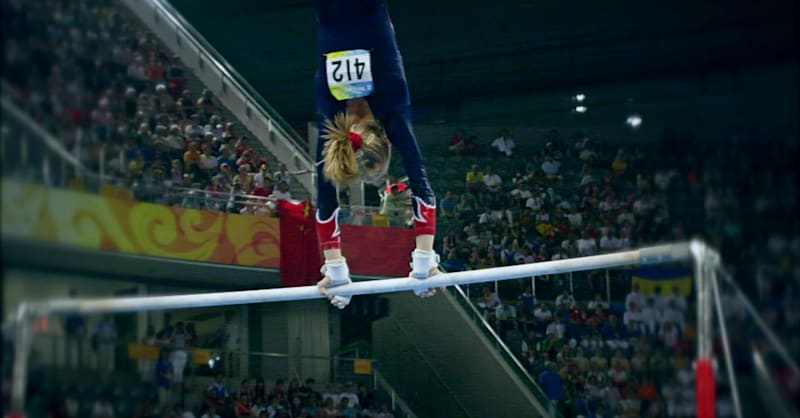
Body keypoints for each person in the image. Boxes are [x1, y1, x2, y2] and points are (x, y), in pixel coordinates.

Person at [312, 0, 439, 309]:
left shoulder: (393, 112)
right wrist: (336, 268)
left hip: (370, 16)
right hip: (330, 19)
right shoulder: (331, 121)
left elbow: (421, 183)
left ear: (387, 141)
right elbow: (326, 199)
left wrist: (424, 259)